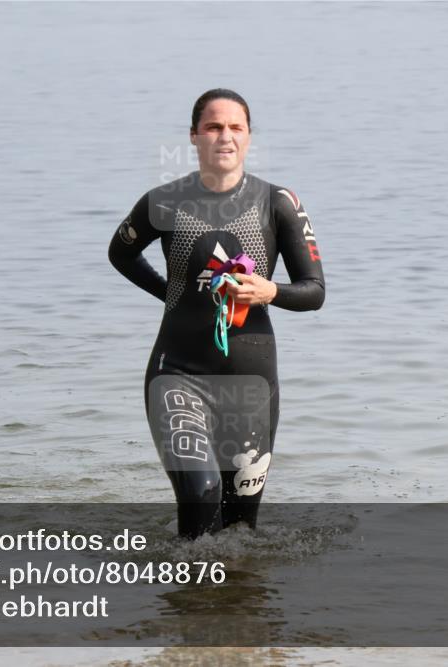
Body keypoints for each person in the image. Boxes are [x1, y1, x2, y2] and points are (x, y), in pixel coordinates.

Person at [108, 89, 325, 539]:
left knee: (240, 529)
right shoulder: (163, 202)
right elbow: (121, 253)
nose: (224, 136)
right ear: (194, 135)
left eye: (235, 127)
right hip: (178, 374)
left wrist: (269, 291)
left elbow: (314, 291)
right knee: (201, 492)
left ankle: (228, 587)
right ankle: (189, 584)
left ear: (248, 137)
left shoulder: (278, 202)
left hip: (252, 384)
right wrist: (171, 294)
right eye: (213, 127)